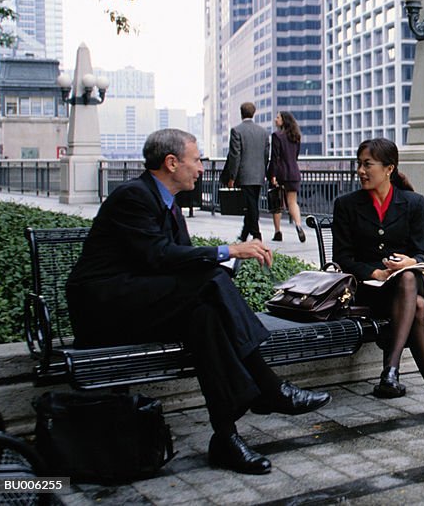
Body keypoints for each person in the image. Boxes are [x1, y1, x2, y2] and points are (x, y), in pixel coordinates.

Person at [66, 129, 331, 475]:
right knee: (211, 282)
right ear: (171, 162)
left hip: (145, 303)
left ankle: (225, 437)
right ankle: (270, 388)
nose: (202, 168)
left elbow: (183, 260)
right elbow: (158, 256)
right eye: (197, 160)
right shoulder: (133, 197)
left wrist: (224, 262)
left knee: (204, 319)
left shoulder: (168, 203)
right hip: (105, 310)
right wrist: (228, 251)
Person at [332, 138, 424, 427]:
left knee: (408, 278)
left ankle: (391, 370)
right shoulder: (346, 205)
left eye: (367, 164)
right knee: (419, 309)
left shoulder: (413, 203)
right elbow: (342, 258)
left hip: (407, 282)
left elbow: (421, 252)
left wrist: (410, 262)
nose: (360, 170)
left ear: (389, 169)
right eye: (358, 164)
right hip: (370, 292)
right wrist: (376, 274)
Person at [224, 102, 269, 242]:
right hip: (259, 173)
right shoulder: (263, 132)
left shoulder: (236, 131)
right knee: (252, 203)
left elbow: (235, 155)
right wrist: (264, 170)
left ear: (241, 112)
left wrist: (232, 176)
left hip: (245, 174)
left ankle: (256, 234)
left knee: (251, 205)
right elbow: (266, 154)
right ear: (253, 113)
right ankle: (245, 234)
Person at [267, 111, 305, 243]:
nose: (275, 119)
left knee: (277, 202)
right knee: (292, 202)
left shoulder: (277, 136)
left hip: (281, 173)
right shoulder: (296, 136)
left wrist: (272, 175)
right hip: (294, 172)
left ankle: (278, 232)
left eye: (278, 117)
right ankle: (299, 225)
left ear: (284, 121)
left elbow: (275, 158)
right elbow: (296, 156)